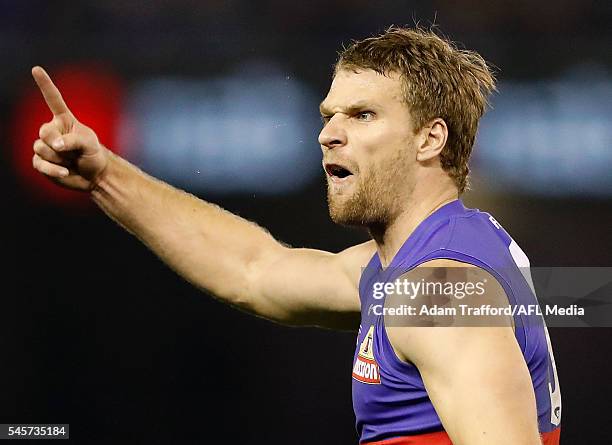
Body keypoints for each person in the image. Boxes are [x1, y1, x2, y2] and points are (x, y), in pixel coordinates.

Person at [31, 27, 561, 445]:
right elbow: (255, 271)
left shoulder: (437, 293)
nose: (328, 133)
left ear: (430, 138)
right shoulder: (417, 260)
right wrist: (105, 176)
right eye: (329, 115)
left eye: (363, 115)